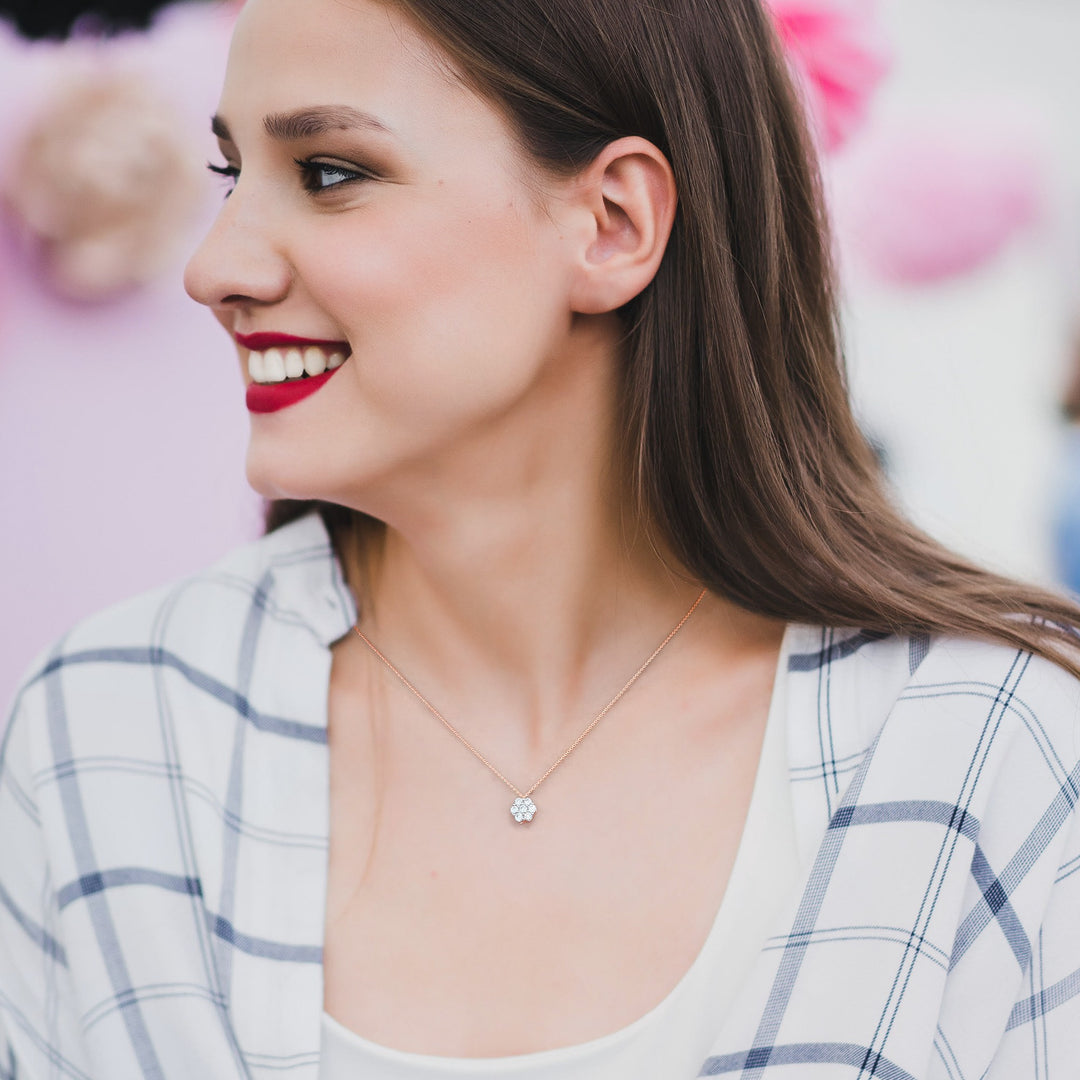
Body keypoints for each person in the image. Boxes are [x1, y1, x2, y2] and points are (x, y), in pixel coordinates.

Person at [2, 0, 1079, 1076]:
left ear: (613, 221)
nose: (215, 269)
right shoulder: (108, 731)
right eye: (232, 176)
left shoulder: (988, 749)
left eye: (330, 172)